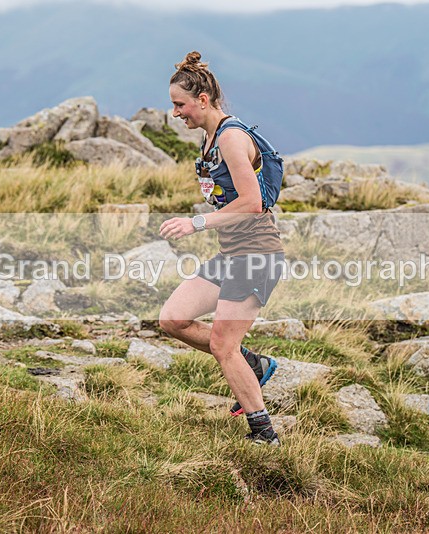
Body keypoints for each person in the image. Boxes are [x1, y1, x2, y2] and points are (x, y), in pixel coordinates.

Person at [158, 51, 285, 445]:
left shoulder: (231, 138)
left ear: (203, 100)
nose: (176, 113)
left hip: (257, 256)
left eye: (180, 104)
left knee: (221, 344)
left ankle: (264, 433)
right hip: (231, 255)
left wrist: (196, 222)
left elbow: (252, 202)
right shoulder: (210, 138)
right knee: (173, 319)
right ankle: (254, 364)